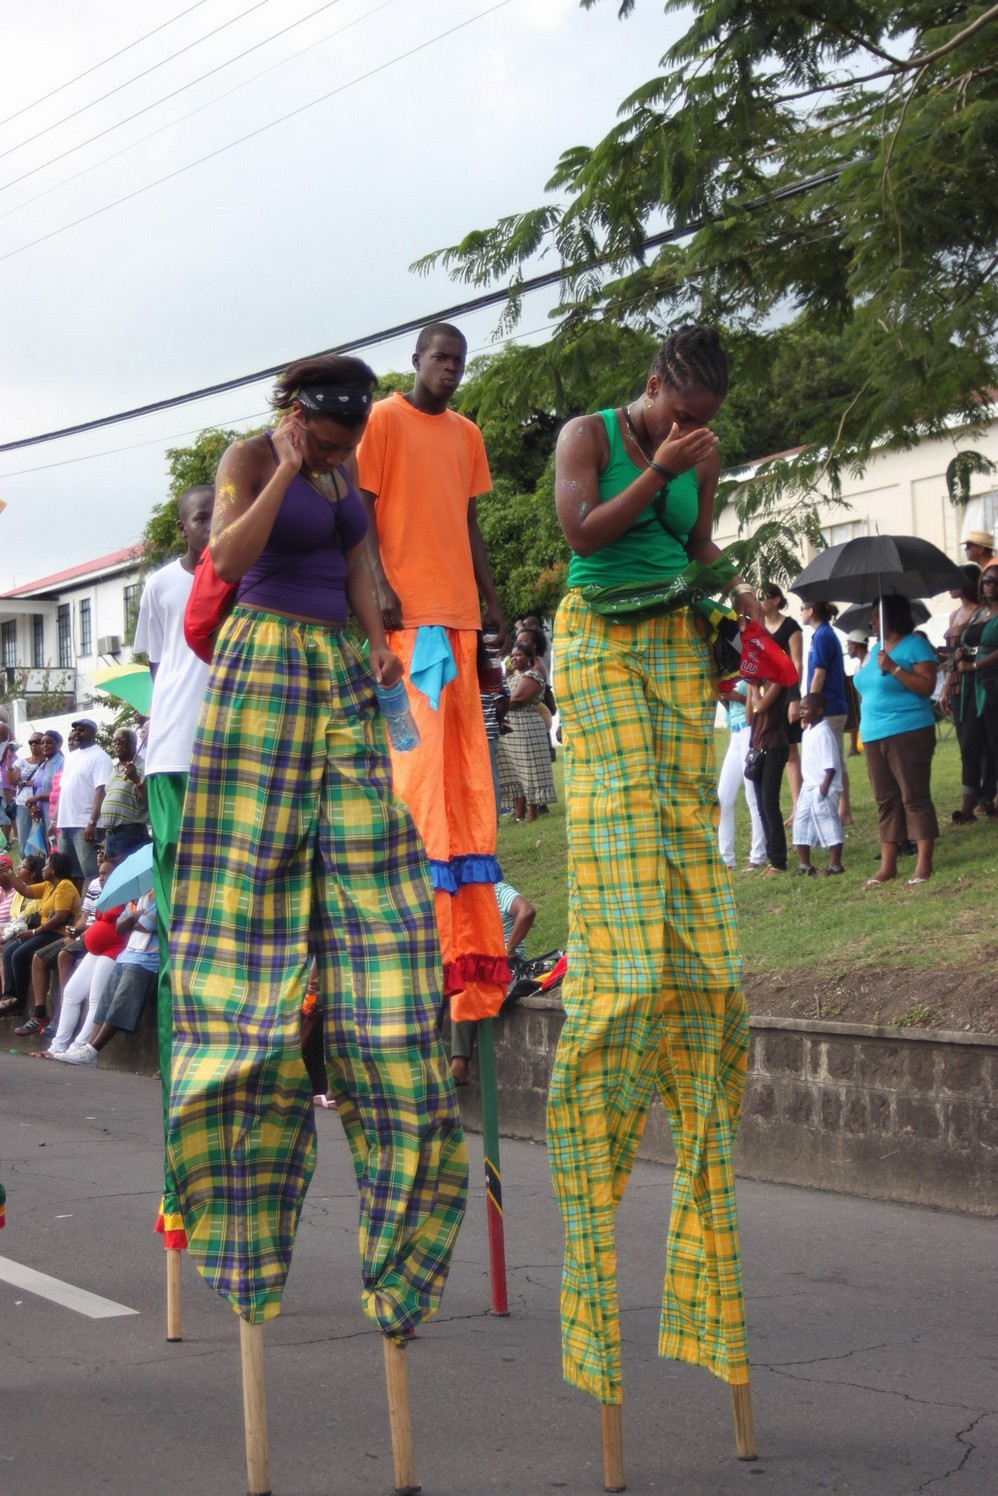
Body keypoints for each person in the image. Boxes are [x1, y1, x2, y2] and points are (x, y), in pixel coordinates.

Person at [166, 353, 467, 1332]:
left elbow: (357, 562)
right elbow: (225, 560)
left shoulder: (344, 476)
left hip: (339, 665)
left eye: (346, 446)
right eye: (329, 441)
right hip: (262, 664)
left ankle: (397, 1198)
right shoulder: (250, 459)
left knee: (380, 872)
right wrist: (290, 469)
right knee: (252, 897)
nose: (339, 456)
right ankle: (239, 1187)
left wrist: (377, 632)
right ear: (298, 416)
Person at [546, 323, 758, 1408]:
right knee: (623, 824)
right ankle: (617, 978)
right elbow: (584, 535)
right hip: (597, 641)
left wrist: (732, 585)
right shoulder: (589, 435)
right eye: (681, 411)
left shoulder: (699, 451)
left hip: (673, 643)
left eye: (705, 418)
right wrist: (657, 469)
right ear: (653, 388)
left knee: (684, 835)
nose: (692, 428)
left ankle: (685, 975)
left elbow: (696, 547)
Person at [357, 322, 509, 1024]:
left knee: (465, 776)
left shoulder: (467, 434)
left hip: (460, 619)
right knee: (418, 775)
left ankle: (467, 943)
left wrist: (492, 596)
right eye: (440, 358)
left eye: (458, 361)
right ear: (416, 360)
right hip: (410, 619)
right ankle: (419, 923)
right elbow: (361, 513)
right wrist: (379, 585)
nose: (450, 369)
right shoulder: (383, 420)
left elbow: (469, 522)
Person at [133, 483, 214, 1242]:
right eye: (201, 518)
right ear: (182, 527)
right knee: (181, 937)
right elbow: (163, 671)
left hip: (235, 758)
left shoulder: (251, 574)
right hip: (173, 761)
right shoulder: (161, 586)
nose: (212, 528)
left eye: (223, 515)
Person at [853, 596, 940, 888]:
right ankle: (888, 867)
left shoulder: (916, 646)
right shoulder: (876, 649)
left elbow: (926, 686)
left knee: (914, 796)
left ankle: (923, 865)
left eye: (876, 616)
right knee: (886, 800)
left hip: (908, 730)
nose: (872, 622)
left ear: (894, 617)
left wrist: (894, 668)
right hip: (874, 734)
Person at [53, 892, 158, 1065]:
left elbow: (146, 925)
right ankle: (86, 1049)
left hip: (147, 958)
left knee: (120, 1004)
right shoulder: (136, 898)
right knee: (104, 1002)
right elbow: (120, 927)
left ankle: (91, 1050)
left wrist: (130, 920)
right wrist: (135, 915)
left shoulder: (159, 895)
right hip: (127, 954)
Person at [449, 879, 536, 1086]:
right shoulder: (461, 897)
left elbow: (527, 912)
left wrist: (507, 950)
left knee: (466, 984)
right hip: (476, 963)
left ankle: (459, 1064)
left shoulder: (498, 891)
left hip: (504, 966)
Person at [38, 859, 125, 1058]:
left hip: (112, 950)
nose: (101, 877)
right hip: (95, 950)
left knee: (95, 999)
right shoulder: (105, 893)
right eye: (100, 873)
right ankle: (57, 1046)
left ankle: (79, 1047)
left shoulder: (126, 895)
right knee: (71, 993)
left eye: (106, 873)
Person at [0, 852, 81, 1031]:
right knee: (8, 952)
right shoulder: (48, 885)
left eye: (47, 865)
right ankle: (8, 997)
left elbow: (61, 917)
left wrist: (34, 932)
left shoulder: (65, 886)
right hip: (45, 932)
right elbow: (25, 890)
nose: (43, 869)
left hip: (59, 933)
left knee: (20, 955)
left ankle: (21, 1003)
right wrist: (9, 873)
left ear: (55, 869)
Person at [941, 565, 993, 822]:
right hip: (958, 679)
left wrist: (970, 661)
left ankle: (984, 798)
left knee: (984, 743)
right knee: (967, 743)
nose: (949, 586)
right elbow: (953, 655)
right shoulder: (957, 615)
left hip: (978, 679)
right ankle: (974, 799)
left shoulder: (981, 612)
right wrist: (945, 687)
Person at [801, 599, 852, 823]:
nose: (801, 613)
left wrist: (809, 707)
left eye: (802, 609)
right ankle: (842, 809)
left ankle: (842, 810)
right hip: (828, 707)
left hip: (828, 708)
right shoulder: (821, 635)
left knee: (832, 760)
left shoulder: (822, 636)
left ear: (811, 611)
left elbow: (819, 674)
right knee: (834, 759)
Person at [496, 639, 557, 821]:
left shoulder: (533, 676)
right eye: (512, 655)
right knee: (514, 770)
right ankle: (519, 812)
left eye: (519, 655)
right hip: (511, 729)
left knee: (529, 769)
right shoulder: (512, 678)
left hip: (526, 726)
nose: (514, 658)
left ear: (529, 657)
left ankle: (533, 812)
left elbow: (517, 700)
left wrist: (495, 707)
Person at [758, 585, 804, 811]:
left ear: (776, 600)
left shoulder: (791, 627)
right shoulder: (760, 628)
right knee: (774, 747)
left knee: (790, 750)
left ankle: (798, 806)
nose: (759, 602)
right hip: (767, 696)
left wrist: (794, 697)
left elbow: (797, 663)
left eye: (763, 597)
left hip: (786, 693)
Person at [791, 693, 845, 875]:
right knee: (801, 823)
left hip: (823, 788)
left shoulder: (824, 732)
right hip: (808, 787)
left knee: (829, 823)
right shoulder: (807, 732)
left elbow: (830, 766)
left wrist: (824, 789)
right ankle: (805, 865)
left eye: (805, 709)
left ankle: (835, 865)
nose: (801, 712)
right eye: (800, 709)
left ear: (819, 711)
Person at [53, 718, 111, 885]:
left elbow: (101, 791)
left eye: (82, 729)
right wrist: (54, 821)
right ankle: (73, 903)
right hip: (66, 824)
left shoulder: (100, 757)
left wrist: (92, 822)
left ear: (93, 732)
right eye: (75, 729)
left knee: (92, 872)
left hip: (85, 824)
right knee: (66, 874)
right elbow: (64, 789)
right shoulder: (71, 757)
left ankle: (98, 902)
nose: (77, 733)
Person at [716, 681, 767, 872]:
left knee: (752, 795)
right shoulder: (727, 672)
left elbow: (760, 703)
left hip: (749, 730)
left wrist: (737, 697)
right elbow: (730, 707)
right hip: (735, 732)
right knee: (723, 797)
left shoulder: (750, 672)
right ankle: (726, 858)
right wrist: (723, 697)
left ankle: (758, 855)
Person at [745, 674, 790, 874]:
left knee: (770, 804)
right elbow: (749, 718)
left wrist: (754, 688)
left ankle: (779, 861)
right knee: (761, 807)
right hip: (758, 747)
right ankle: (772, 857)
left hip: (774, 746)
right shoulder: (757, 684)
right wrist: (751, 689)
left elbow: (762, 706)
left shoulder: (777, 681)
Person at [98, 727, 150, 860]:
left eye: (121, 741)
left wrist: (136, 779)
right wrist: (106, 840)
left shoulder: (144, 767)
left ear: (134, 743)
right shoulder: (115, 768)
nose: (116, 744)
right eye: (114, 741)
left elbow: (151, 802)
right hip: (111, 835)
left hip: (130, 833)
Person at [24, 731, 63, 842]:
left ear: (59, 744)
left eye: (49, 742)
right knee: (45, 847)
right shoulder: (43, 765)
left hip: (55, 814)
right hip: (40, 814)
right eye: (42, 743)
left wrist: (38, 798)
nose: (44, 745)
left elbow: (62, 792)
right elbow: (37, 787)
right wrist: (33, 806)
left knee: (55, 845)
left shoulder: (62, 763)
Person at [9, 732, 45, 851]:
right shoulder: (21, 762)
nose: (33, 744)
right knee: (24, 841)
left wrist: (22, 781)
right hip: (23, 804)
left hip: (42, 804)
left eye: (37, 742)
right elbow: (12, 781)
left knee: (42, 840)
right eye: (31, 742)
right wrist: (9, 758)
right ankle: (24, 862)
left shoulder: (48, 763)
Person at [844, 630, 869, 756]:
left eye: (848, 644)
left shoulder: (871, 662)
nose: (847, 648)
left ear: (856, 644)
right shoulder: (858, 667)